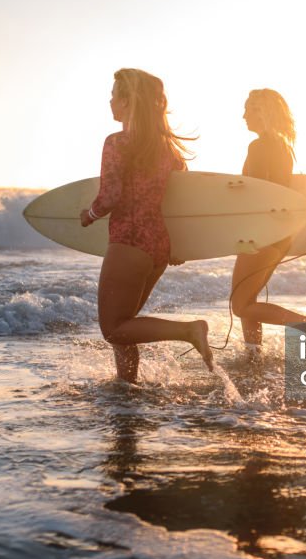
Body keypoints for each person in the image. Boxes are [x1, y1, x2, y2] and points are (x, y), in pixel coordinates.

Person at [80, 68, 213, 382]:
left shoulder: (118, 143)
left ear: (127, 102)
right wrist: (178, 245)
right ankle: (127, 389)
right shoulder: (167, 150)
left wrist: (90, 214)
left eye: (114, 95)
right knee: (126, 326)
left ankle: (189, 330)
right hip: (158, 247)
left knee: (113, 329)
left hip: (129, 240)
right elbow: (178, 203)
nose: (110, 101)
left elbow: (110, 196)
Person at [230, 89, 306, 360]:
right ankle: (253, 355)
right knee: (250, 300)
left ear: (264, 112)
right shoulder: (282, 146)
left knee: (240, 305)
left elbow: (258, 193)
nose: (244, 115)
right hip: (278, 233)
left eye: (250, 109)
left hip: (261, 232)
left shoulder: (259, 146)